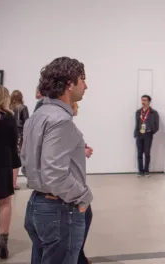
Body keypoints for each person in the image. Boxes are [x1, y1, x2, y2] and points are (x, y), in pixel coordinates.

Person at [21, 57, 92, 263]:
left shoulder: (37, 115)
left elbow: (26, 162)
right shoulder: (60, 121)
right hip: (59, 210)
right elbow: (55, 173)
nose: (86, 85)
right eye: (82, 79)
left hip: (36, 205)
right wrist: (83, 195)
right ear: (70, 84)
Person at [0, 85, 21, 259]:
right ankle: (3, 238)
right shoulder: (9, 119)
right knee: (5, 203)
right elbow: (14, 145)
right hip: (3, 163)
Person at [72, 102, 93, 264]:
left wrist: (81, 149)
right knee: (83, 216)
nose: (78, 108)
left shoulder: (67, 125)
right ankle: (77, 257)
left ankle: (78, 255)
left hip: (75, 183)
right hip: (71, 185)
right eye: (76, 106)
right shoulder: (62, 124)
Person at [134, 95, 159, 177]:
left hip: (148, 134)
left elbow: (156, 125)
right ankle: (140, 171)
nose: (143, 102)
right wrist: (136, 133)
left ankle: (146, 171)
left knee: (147, 153)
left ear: (149, 101)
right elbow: (137, 124)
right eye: (142, 100)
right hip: (139, 134)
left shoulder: (153, 113)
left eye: (145, 100)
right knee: (139, 153)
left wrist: (151, 131)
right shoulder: (138, 112)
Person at [9, 90, 29, 190]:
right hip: (19, 135)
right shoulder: (23, 108)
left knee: (8, 158)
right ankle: (13, 183)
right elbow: (27, 123)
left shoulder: (8, 108)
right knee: (16, 159)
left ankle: (7, 183)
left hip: (9, 134)